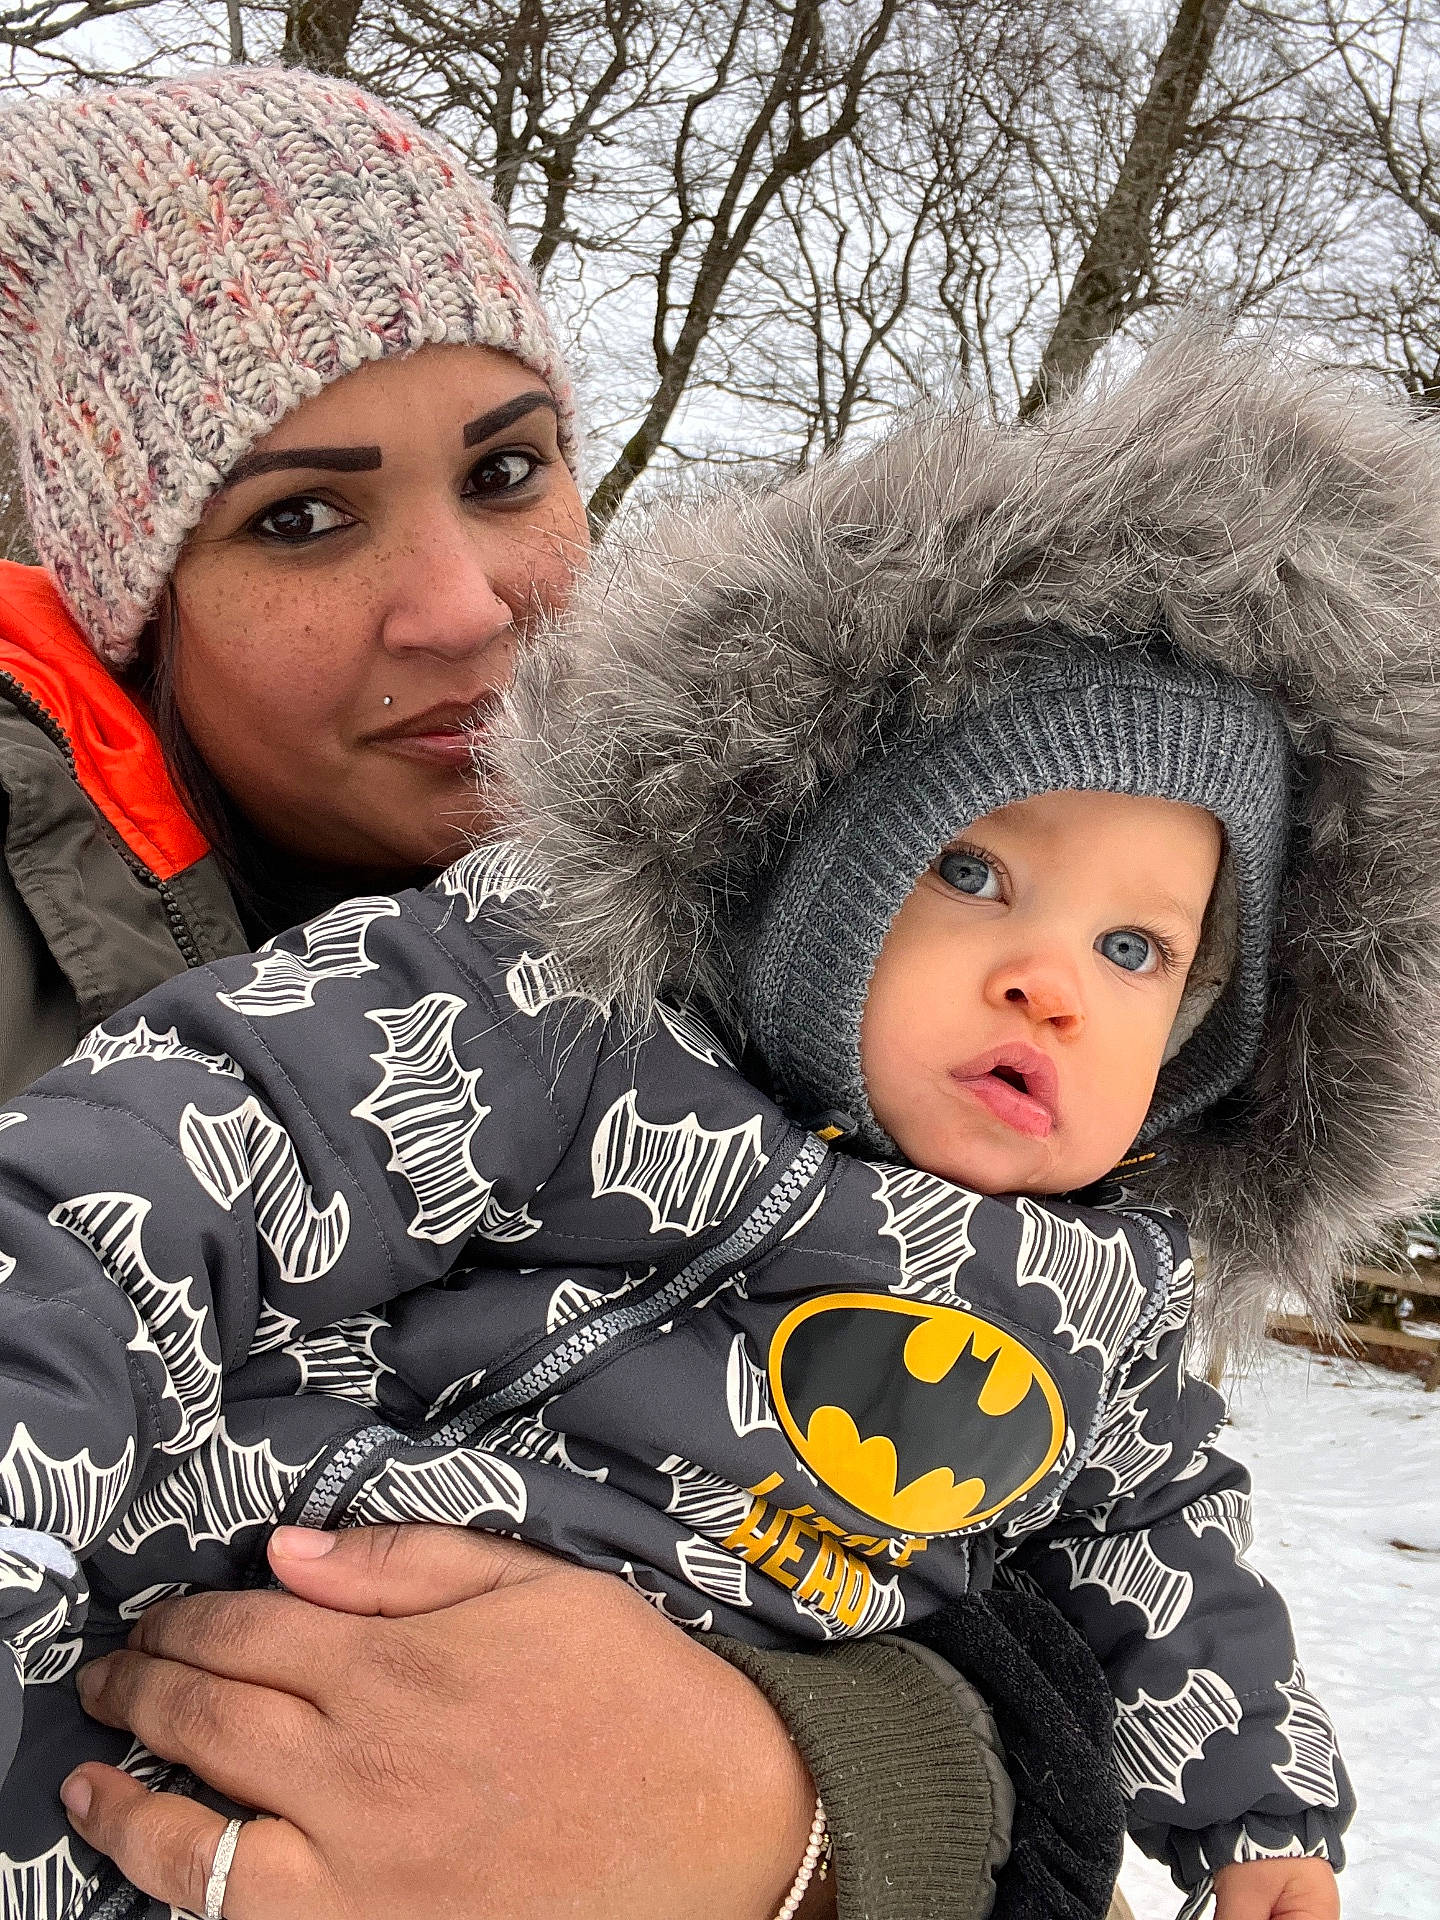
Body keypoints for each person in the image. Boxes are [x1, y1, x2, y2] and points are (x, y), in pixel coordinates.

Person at [1, 333, 1438, 1920]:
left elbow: (1163, 1549)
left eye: (1136, 950)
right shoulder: (573, 1017)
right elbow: (169, 1159)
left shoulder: (1112, 1309)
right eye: (973, 874)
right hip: (202, 1661)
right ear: (826, 887)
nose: (1050, 986)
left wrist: (1266, 1815)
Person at [0, 67, 1010, 1920]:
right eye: (300, 518)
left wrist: (791, 1811)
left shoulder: (821, 956)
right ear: (119, 595)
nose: (466, 608)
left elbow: (1029, 1576)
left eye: (505, 471)